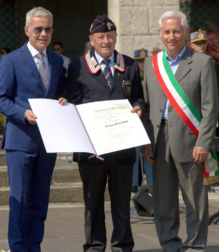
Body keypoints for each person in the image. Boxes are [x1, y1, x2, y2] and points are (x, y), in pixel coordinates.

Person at [66, 14, 146, 251]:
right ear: (91, 39)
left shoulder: (130, 65)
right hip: (91, 148)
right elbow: (71, 102)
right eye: (100, 36)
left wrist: (140, 106)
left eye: (110, 36)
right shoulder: (77, 66)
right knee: (93, 202)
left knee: (121, 202)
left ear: (116, 37)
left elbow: (139, 97)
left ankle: (122, 246)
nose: (106, 41)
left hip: (122, 146)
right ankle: (95, 246)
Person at [143, 10, 219, 252]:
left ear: (185, 32)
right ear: (160, 34)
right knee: (163, 200)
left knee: (195, 199)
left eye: (176, 31)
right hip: (159, 139)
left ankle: (196, 244)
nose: (172, 36)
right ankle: (169, 244)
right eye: (167, 31)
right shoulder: (151, 63)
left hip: (191, 139)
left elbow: (210, 107)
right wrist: (146, 140)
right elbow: (146, 105)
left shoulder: (202, 62)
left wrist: (204, 142)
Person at [0, 7, 66, 252]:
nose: (43, 34)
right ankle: (18, 247)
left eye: (47, 29)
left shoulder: (56, 61)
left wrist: (63, 101)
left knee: (40, 200)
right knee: (20, 200)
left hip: (48, 142)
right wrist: (23, 113)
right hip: (20, 141)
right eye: (38, 29)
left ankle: (34, 245)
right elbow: (0, 99)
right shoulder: (11, 60)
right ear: (27, 30)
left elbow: (59, 94)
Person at [132, 48, 153, 192]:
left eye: (144, 62)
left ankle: (151, 184)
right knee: (133, 155)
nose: (142, 65)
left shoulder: (151, 78)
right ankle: (133, 184)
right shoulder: (132, 77)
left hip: (148, 121)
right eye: (139, 62)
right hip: (134, 121)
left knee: (149, 156)